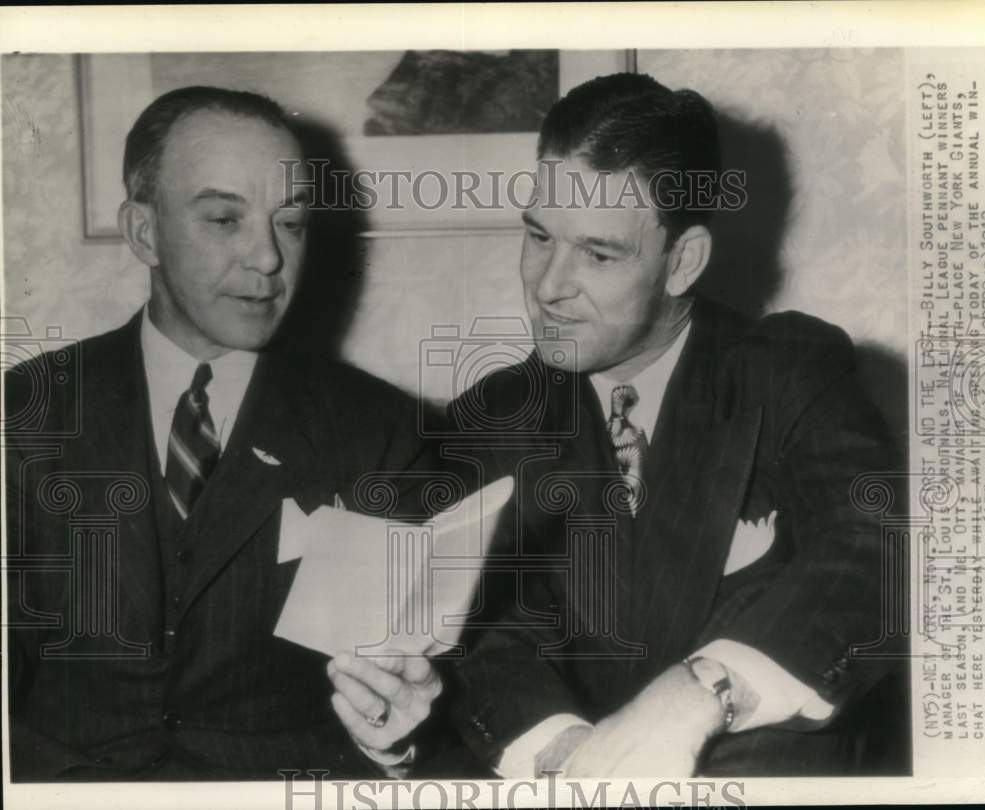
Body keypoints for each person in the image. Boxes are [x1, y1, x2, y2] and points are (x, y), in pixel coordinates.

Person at [443, 73, 903, 777]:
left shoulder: (786, 370)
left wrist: (700, 692)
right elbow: (485, 635)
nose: (547, 286)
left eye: (598, 254)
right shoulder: (494, 415)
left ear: (683, 260)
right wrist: (571, 755)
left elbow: (880, 545)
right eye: (538, 236)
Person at [4, 86, 439, 780]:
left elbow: (401, 704)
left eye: (290, 222)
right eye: (223, 219)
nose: (267, 258)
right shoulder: (23, 414)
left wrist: (392, 742)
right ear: (143, 232)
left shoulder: (378, 432)